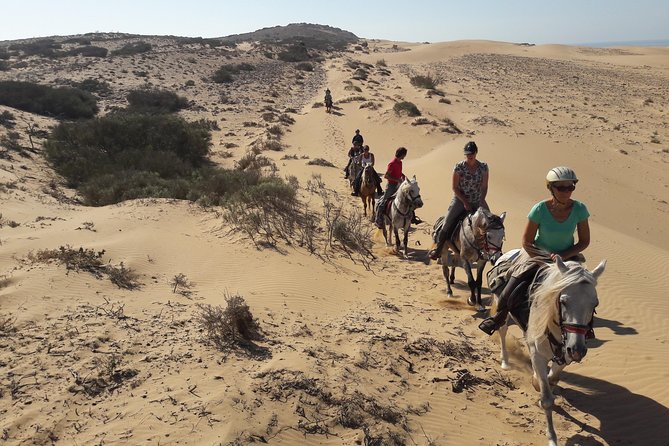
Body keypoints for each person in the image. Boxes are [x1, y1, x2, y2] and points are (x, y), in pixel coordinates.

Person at [478, 166, 591, 336]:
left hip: (567, 256)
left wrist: (562, 256)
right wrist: (544, 258)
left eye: (570, 187)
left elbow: (584, 241)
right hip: (535, 253)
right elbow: (526, 242)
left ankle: (585, 327)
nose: (566, 192)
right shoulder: (539, 209)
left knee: (585, 290)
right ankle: (499, 317)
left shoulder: (580, 209)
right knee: (511, 289)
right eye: (561, 187)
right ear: (551, 188)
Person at [429, 141, 489, 260]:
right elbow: (454, 187)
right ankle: (438, 249)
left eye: (471, 153)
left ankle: (490, 252)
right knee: (446, 223)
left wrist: (482, 199)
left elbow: (484, 186)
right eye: (467, 154)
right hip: (460, 200)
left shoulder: (483, 167)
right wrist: (465, 202)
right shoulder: (459, 167)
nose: (469, 156)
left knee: (491, 224)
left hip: (478, 200)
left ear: (476, 152)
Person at [374, 147, 407, 228]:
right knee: (384, 202)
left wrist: (402, 175)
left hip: (399, 185)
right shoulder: (392, 163)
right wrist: (397, 180)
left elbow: (398, 172)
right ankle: (378, 220)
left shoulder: (400, 163)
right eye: (404, 154)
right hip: (391, 186)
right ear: (401, 154)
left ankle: (411, 218)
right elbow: (386, 176)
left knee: (407, 198)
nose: (405, 156)